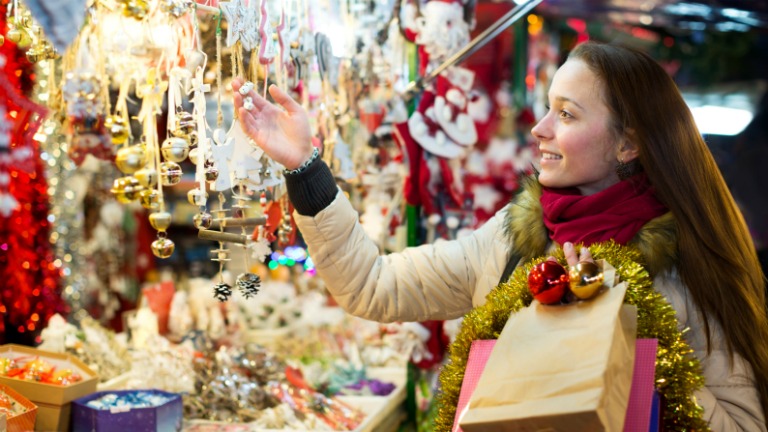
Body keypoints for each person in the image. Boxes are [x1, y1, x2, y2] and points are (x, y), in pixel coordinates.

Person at [232, 41, 768, 430]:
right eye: (547, 108)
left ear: (628, 145)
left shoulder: (686, 265)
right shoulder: (511, 239)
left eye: (566, 114)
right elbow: (372, 285)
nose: (540, 128)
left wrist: (625, 336)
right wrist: (305, 166)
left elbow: (744, 425)